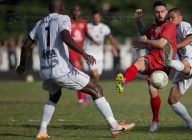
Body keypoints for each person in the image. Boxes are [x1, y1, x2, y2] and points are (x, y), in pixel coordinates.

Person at [16, 0, 135, 139]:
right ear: (61, 8)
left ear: (49, 8)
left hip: (45, 71)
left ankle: (42, 130)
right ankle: (115, 126)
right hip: (61, 70)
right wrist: (84, 53)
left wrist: (22, 64)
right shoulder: (63, 18)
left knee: (54, 96)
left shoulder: (39, 23)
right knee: (96, 89)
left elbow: (25, 46)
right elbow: (66, 37)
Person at [116, 1, 177, 132]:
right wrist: (138, 20)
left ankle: (155, 121)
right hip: (152, 58)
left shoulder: (169, 26)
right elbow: (144, 32)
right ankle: (123, 82)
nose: (160, 14)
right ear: (154, 13)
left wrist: (146, 42)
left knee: (153, 91)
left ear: (166, 12)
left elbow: (161, 43)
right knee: (139, 62)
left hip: (163, 63)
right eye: (157, 12)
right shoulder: (154, 27)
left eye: (162, 11)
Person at [166, 7, 192, 130]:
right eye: (168, 18)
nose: (170, 20)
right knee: (172, 100)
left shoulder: (184, 25)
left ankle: (168, 62)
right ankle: (191, 124)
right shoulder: (169, 31)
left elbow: (190, 38)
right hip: (183, 65)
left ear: (180, 18)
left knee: (183, 63)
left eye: (173, 17)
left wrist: (175, 46)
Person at [70, 5, 97, 105]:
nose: (76, 13)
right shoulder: (68, 23)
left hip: (80, 52)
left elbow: (86, 33)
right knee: (78, 72)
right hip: (70, 50)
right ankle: (81, 99)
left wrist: (93, 40)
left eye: (78, 11)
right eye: (74, 11)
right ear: (72, 12)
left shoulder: (83, 23)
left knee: (77, 73)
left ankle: (82, 96)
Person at [84, 10, 119, 81]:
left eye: (97, 17)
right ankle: (91, 88)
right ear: (92, 18)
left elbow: (110, 38)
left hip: (100, 55)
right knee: (95, 74)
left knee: (97, 76)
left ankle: (90, 88)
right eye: (94, 17)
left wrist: (114, 48)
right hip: (89, 54)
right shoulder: (87, 26)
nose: (96, 19)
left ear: (100, 18)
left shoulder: (105, 27)